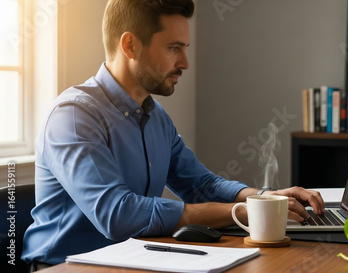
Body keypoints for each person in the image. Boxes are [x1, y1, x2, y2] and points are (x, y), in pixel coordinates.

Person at [22, 0, 324, 269]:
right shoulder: (74, 116)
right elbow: (119, 216)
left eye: (184, 49)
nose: (185, 63)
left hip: (130, 260)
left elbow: (200, 185)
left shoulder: (156, 117)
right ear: (130, 46)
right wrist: (242, 211)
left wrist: (262, 198)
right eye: (173, 48)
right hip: (62, 267)